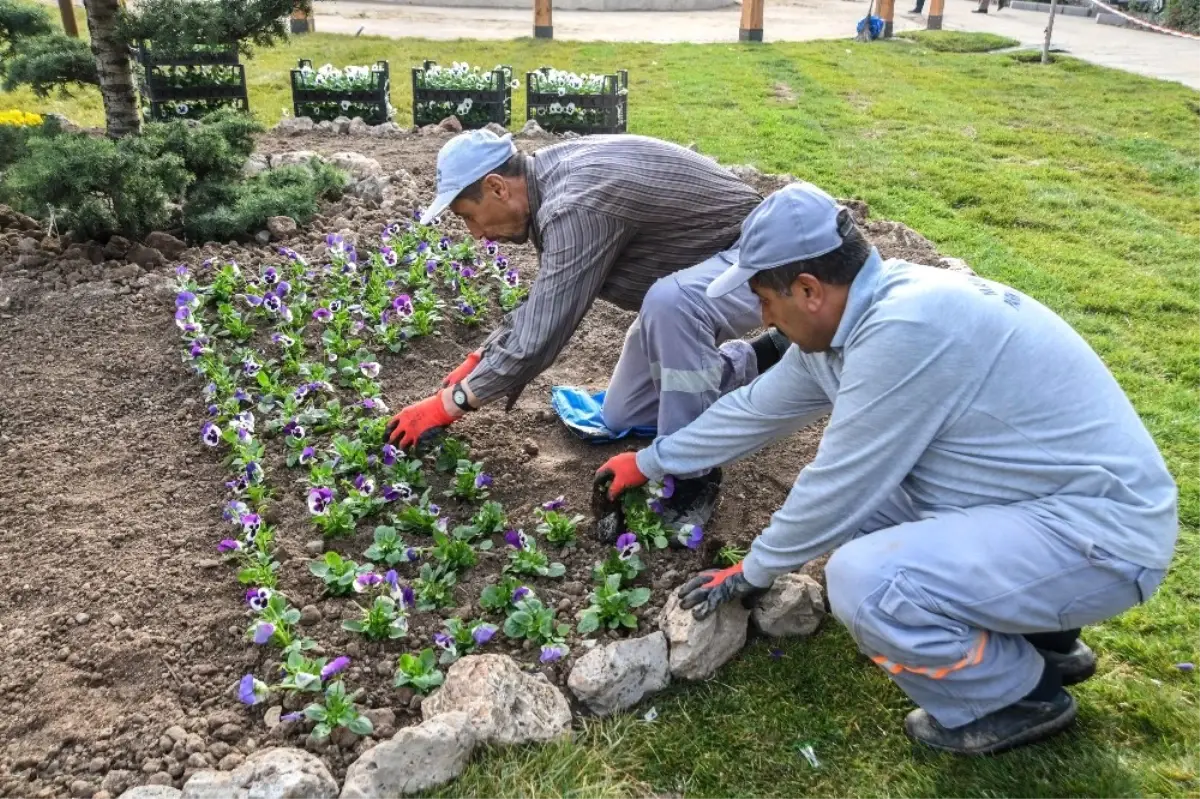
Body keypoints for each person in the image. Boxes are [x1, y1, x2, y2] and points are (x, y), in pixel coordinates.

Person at [593, 182, 1178, 754]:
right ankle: (1045, 639)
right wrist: (649, 461)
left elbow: (842, 480)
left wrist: (753, 571)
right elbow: (753, 410)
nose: (762, 318)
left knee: (865, 581)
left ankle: (1014, 697)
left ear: (808, 289)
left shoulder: (904, 331)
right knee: (873, 520)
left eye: (764, 300)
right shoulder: (861, 320)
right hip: (1048, 508)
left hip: (1102, 539)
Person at [385, 129, 790, 531]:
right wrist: (480, 359)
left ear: (496, 187)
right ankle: (766, 355)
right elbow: (544, 299)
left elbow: (541, 336)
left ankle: (693, 475)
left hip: (763, 263)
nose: (475, 233)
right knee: (622, 412)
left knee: (671, 304)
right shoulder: (548, 177)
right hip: (701, 273)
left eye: (468, 216)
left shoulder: (576, 204)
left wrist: (449, 404)